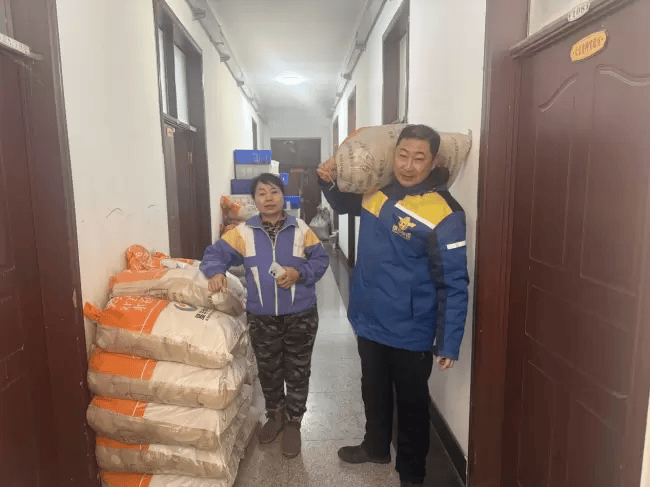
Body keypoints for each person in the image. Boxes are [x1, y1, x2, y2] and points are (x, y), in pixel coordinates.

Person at [317, 125, 469, 486]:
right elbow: (343, 204)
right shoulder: (378, 192)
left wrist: (448, 342)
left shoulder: (445, 213)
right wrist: (327, 180)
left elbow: (453, 282)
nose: (408, 166)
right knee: (373, 388)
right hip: (368, 317)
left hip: (410, 329)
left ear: (434, 161)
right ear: (393, 154)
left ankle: (412, 474)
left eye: (419, 158)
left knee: (412, 405)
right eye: (403, 155)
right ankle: (375, 447)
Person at [200, 173, 329, 459]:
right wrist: (216, 271)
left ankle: (294, 422)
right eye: (261, 193)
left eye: (274, 192)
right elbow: (214, 253)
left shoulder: (301, 228)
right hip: (262, 316)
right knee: (269, 370)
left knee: (297, 370)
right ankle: (276, 415)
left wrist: (300, 273)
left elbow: (321, 260)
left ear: (283, 196)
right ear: (254, 200)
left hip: (301, 314)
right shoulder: (243, 232)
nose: (268, 198)